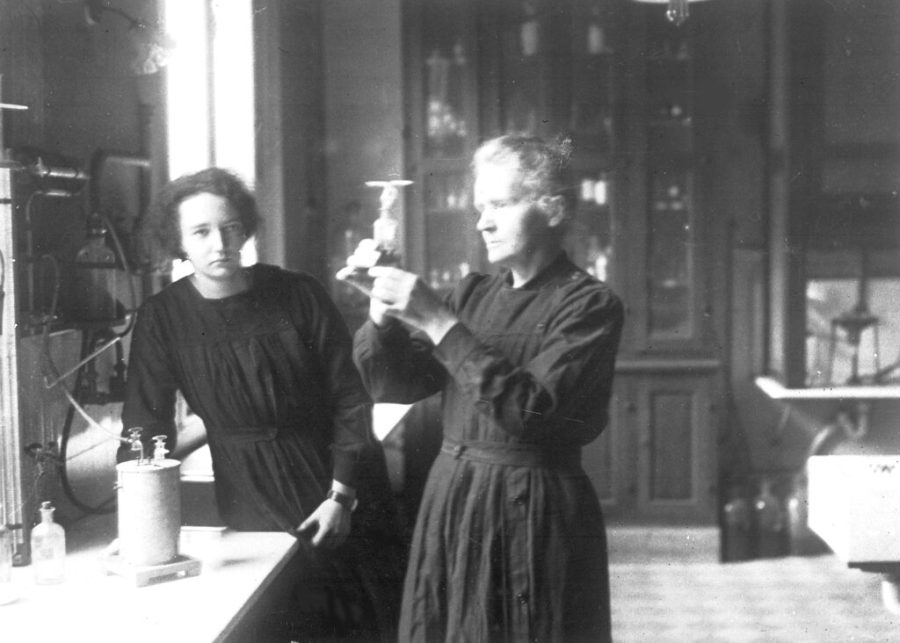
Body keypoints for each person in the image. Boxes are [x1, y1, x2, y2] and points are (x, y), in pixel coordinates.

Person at [345, 134, 624, 641]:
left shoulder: (588, 305)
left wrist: (438, 322)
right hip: (455, 501)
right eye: (479, 207)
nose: (482, 222)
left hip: (535, 508)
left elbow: (532, 414)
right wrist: (381, 317)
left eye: (500, 204)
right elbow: (391, 384)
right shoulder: (472, 294)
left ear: (553, 209)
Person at [119, 167, 404, 641]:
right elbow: (144, 426)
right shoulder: (161, 318)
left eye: (230, 228)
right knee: (277, 618)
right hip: (248, 493)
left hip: (336, 480)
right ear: (179, 242)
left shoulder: (298, 294)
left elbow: (350, 400)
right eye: (202, 232)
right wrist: (136, 523)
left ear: (245, 229)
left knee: (355, 622)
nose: (220, 244)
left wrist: (342, 495)